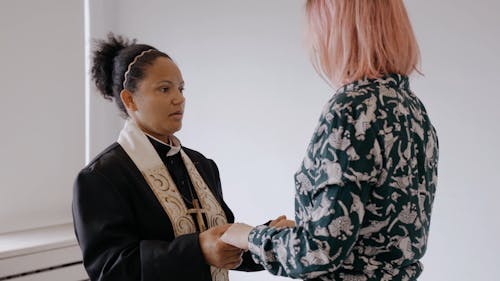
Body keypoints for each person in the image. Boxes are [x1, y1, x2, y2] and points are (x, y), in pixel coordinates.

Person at [221, 1, 439, 280]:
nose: (311, 39)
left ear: (337, 31)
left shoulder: (352, 107)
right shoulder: (412, 108)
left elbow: (320, 251)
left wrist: (248, 235)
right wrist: (301, 229)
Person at [72, 34, 265, 281]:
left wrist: (267, 239)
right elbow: (111, 270)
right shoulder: (101, 177)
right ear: (129, 99)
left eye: (181, 88)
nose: (179, 98)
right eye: (164, 89)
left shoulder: (202, 166)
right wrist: (198, 250)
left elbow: (223, 249)